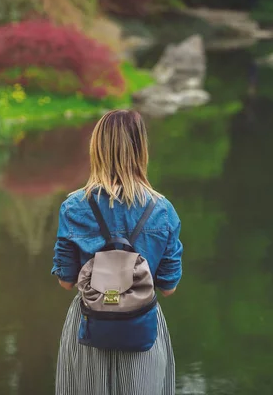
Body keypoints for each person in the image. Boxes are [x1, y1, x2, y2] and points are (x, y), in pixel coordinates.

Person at [51, 109, 183, 394]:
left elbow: (66, 281)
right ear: (141, 150)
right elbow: (168, 287)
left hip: (90, 325)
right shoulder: (163, 210)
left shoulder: (74, 207)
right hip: (142, 327)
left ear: (97, 148)